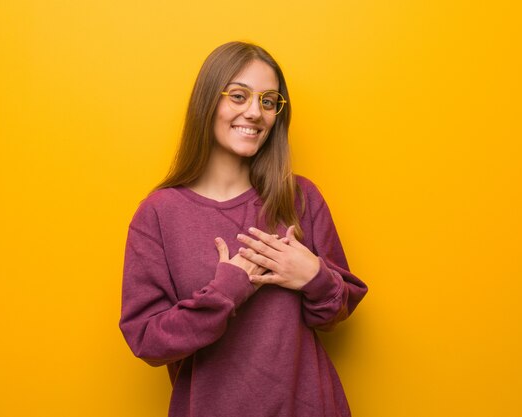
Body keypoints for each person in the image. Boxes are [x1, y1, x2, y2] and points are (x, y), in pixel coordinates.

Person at [119, 41, 368, 417]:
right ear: (208, 102)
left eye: (269, 102)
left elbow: (335, 312)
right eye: (239, 96)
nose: (255, 113)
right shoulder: (158, 214)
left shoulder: (300, 198)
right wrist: (227, 289)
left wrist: (314, 276)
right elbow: (148, 341)